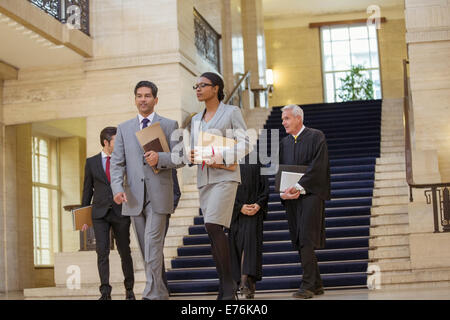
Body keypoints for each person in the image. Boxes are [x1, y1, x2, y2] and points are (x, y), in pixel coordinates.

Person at [110, 81, 183, 300]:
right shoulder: (123, 128)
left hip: (159, 196)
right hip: (133, 196)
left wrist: (159, 158)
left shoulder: (170, 124)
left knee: (152, 243)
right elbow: (117, 163)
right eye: (139, 96)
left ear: (156, 100)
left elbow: (181, 157)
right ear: (135, 99)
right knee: (145, 248)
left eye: (148, 96)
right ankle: (160, 292)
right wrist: (116, 187)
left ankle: (151, 292)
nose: (143, 99)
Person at [189, 72, 250, 300]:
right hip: (205, 179)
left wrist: (221, 157)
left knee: (214, 225)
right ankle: (225, 284)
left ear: (216, 88)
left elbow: (245, 143)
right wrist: (194, 154)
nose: (198, 89)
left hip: (225, 176)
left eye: (202, 85)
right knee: (212, 229)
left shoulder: (232, 112)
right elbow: (198, 147)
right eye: (196, 86)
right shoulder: (196, 119)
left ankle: (227, 284)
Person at [279, 104, 331, 299]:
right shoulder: (284, 143)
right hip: (291, 197)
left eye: (286, 118)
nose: (283, 122)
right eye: (283, 119)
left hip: (310, 194)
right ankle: (317, 284)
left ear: (298, 118)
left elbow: (319, 167)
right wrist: (283, 192)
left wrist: (299, 187)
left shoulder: (316, 136)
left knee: (307, 237)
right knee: (300, 238)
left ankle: (308, 285)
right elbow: (281, 170)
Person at [81, 127, 135, 300]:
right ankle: (105, 292)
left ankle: (129, 290)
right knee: (102, 252)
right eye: (115, 141)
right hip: (99, 214)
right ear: (106, 142)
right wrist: (83, 217)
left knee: (124, 251)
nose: (119, 144)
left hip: (121, 212)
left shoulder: (124, 160)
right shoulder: (91, 162)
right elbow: (87, 191)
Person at [229, 151, 269, 299]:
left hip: (254, 212)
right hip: (236, 213)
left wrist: (258, 205)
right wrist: (239, 207)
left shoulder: (257, 159)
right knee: (237, 247)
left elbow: (265, 186)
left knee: (250, 246)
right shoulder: (227, 161)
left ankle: (247, 282)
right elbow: (224, 190)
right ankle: (240, 282)